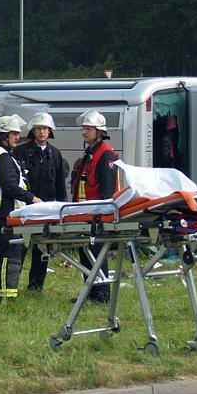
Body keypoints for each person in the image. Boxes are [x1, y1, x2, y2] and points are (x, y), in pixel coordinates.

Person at [0, 115, 42, 300]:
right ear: (3, 135)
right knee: (10, 254)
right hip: (5, 212)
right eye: (13, 134)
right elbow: (10, 186)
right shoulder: (3, 157)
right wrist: (32, 198)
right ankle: (8, 297)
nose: (17, 137)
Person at [13, 112, 67, 292]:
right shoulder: (20, 151)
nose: (42, 132)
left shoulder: (56, 154)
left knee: (42, 249)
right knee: (19, 247)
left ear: (50, 131)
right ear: (33, 131)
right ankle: (11, 284)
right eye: (38, 129)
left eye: (44, 129)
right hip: (25, 208)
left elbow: (60, 185)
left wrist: (63, 210)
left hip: (48, 210)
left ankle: (36, 287)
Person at [71, 109, 120, 303]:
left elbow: (107, 190)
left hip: (97, 215)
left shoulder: (106, 155)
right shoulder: (90, 153)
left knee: (97, 254)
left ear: (99, 131)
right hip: (85, 214)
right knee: (87, 254)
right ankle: (91, 294)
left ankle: (102, 295)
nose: (84, 132)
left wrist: (101, 215)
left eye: (88, 129)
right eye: (84, 128)